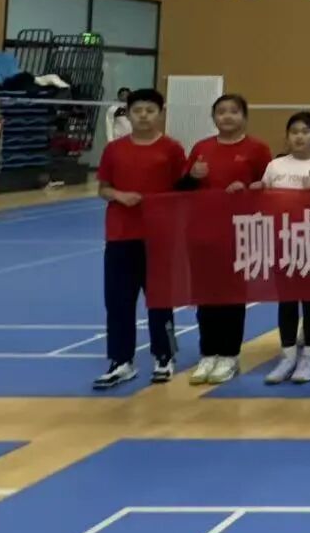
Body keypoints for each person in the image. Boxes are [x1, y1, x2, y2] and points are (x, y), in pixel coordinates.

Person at [93, 87, 188, 391]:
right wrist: (120, 195)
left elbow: (184, 189)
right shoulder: (114, 150)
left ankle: (165, 356)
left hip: (159, 236)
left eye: (150, 110)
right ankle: (121, 361)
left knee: (160, 300)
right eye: (137, 111)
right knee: (118, 301)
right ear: (129, 114)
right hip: (120, 235)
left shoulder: (172, 149)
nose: (143, 116)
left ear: (160, 113)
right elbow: (103, 189)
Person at [180, 92, 271, 386]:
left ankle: (230, 355)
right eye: (221, 111)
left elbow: (268, 187)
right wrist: (193, 176)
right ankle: (208, 353)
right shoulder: (201, 148)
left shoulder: (257, 149)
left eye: (234, 111)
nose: (227, 116)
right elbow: (181, 190)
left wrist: (247, 188)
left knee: (232, 295)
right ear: (213, 117)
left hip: (238, 233)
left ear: (244, 116)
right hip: (203, 233)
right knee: (205, 295)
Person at [254, 111, 310, 386]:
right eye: (294, 132)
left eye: (305, 131)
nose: (299, 137)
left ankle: (309, 356)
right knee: (287, 300)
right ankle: (288, 355)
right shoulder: (275, 166)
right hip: (282, 242)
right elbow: (263, 201)